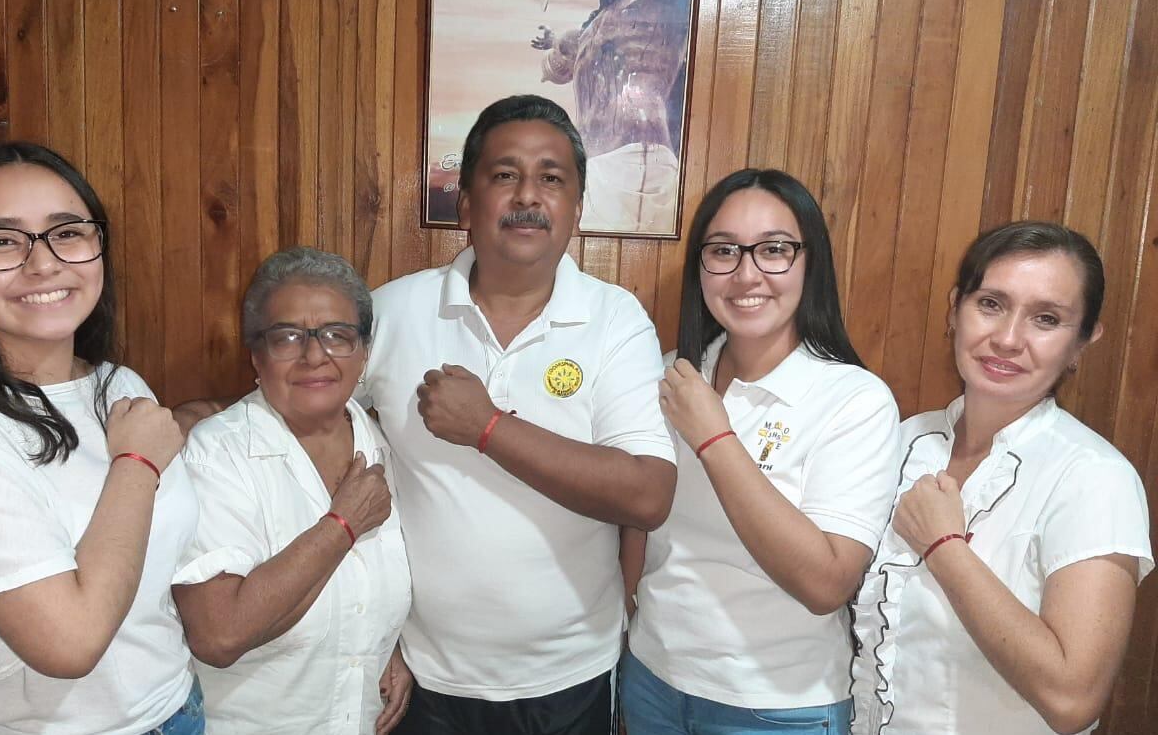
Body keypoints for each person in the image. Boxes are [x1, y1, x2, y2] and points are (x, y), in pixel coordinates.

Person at [363, 94, 676, 734]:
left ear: (577, 209)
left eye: (551, 178)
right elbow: (315, 436)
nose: (528, 195)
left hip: (570, 676)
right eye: (505, 174)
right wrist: (371, 630)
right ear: (466, 204)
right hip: (423, 675)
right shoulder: (390, 313)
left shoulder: (615, 320)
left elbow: (647, 494)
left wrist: (487, 427)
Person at [0, 142, 201, 734]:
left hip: (175, 708)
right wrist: (136, 463)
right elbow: (69, 643)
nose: (44, 263)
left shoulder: (120, 386)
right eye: (1, 240)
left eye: (67, 232)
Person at [620, 169, 903, 734]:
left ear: (809, 263)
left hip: (778, 706)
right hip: (653, 677)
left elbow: (827, 584)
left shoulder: (855, 400)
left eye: (774, 250)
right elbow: (639, 513)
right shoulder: (675, 374)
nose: (746, 273)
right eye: (724, 250)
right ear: (701, 266)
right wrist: (630, 619)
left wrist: (714, 438)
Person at [849, 222, 1153, 735]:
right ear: (955, 309)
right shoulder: (904, 441)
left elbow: (1072, 700)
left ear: (1083, 342)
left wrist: (945, 547)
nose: (1008, 339)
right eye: (991, 304)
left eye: (1046, 319)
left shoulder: (1095, 478)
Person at [172, 247, 413, 735]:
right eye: (287, 337)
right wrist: (342, 526)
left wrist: (390, 644)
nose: (314, 355)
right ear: (256, 355)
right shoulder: (216, 454)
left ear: (364, 352)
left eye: (337, 335)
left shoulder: (384, 443)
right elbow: (219, 635)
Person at [525, 0, 695, 234]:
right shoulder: (594, 25)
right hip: (591, 172)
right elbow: (557, 66)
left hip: (639, 168)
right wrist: (555, 44)